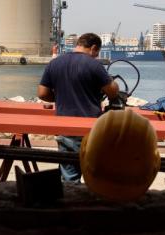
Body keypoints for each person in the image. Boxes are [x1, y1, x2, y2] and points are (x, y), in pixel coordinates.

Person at [37, 33, 119, 182]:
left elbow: (42, 94)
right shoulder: (94, 65)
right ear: (94, 48)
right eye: (97, 53)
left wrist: (61, 97)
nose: (95, 56)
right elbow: (113, 92)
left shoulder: (55, 63)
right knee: (96, 176)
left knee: (69, 178)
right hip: (91, 129)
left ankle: (69, 201)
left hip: (64, 128)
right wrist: (112, 82)